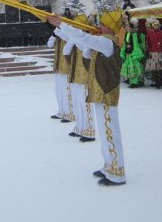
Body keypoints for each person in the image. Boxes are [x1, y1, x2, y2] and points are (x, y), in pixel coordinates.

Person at [47, 10, 126, 186]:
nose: (99, 26)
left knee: (110, 132)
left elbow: (85, 40)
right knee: (106, 132)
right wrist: (67, 30)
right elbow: (85, 48)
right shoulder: (102, 42)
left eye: (103, 24)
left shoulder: (108, 42)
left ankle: (117, 172)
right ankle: (109, 166)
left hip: (106, 93)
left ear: (110, 27)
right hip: (100, 92)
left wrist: (62, 24)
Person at [62, 14, 95, 142]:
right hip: (75, 74)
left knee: (86, 104)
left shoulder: (88, 38)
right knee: (77, 104)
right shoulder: (75, 39)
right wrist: (72, 38)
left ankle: (90, 130)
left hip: (85, 76)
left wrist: (73, 37)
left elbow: (84, 48)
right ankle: (80, 127)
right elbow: (66, 51)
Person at [47, 27, 74, 123]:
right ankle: (61, 111)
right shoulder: (57, 35)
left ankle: (69, 113)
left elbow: (69, 39)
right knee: (59, 91)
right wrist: (54, 35)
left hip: (66, 67)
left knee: (66, 91)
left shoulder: (69, 34)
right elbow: (49, 44)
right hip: (58, 66)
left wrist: (60, 31)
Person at [120, 18, 146, 88]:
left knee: (135, 66)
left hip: (132, 53)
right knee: (130, 67)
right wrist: (123, 51)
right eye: (126, 26)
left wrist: (136, 53)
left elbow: (136, 44)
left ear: (131, 28)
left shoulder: (134, 34)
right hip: (128, 53)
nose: (126, 27)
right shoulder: (126, 34)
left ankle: (135, 82)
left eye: (128, 26)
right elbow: (125, 44)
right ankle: (133, 82)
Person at [145, 19, 162, 88]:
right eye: (155, 25)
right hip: (153, 52)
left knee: (161, 68)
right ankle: (156, 82)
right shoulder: (150, 33)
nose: (156, 26)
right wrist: (148, 50)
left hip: (160, 52)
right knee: (154, 69)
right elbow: (148, 42)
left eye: (157, 25)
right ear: (153, 26)